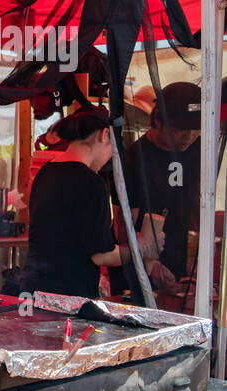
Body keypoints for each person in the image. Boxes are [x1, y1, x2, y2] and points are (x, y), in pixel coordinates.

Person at [22, 108, 161, 298]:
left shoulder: (46, 172)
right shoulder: (90, 182)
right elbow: (102, 255)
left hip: (32, 290)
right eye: (114, 146)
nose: (111, 155)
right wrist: (143, 249)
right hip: (67, 297)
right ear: (105, 135)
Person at [120, 81, 200, 294]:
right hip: (139, 266)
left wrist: (200, 254)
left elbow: (195, 199)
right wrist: (149, 264)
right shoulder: (134, 159)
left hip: (180, 258)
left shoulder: (196, 149)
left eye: (196, 130)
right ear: (156, 120)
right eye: (179, 130)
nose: (189, 136)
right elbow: (123, 225)